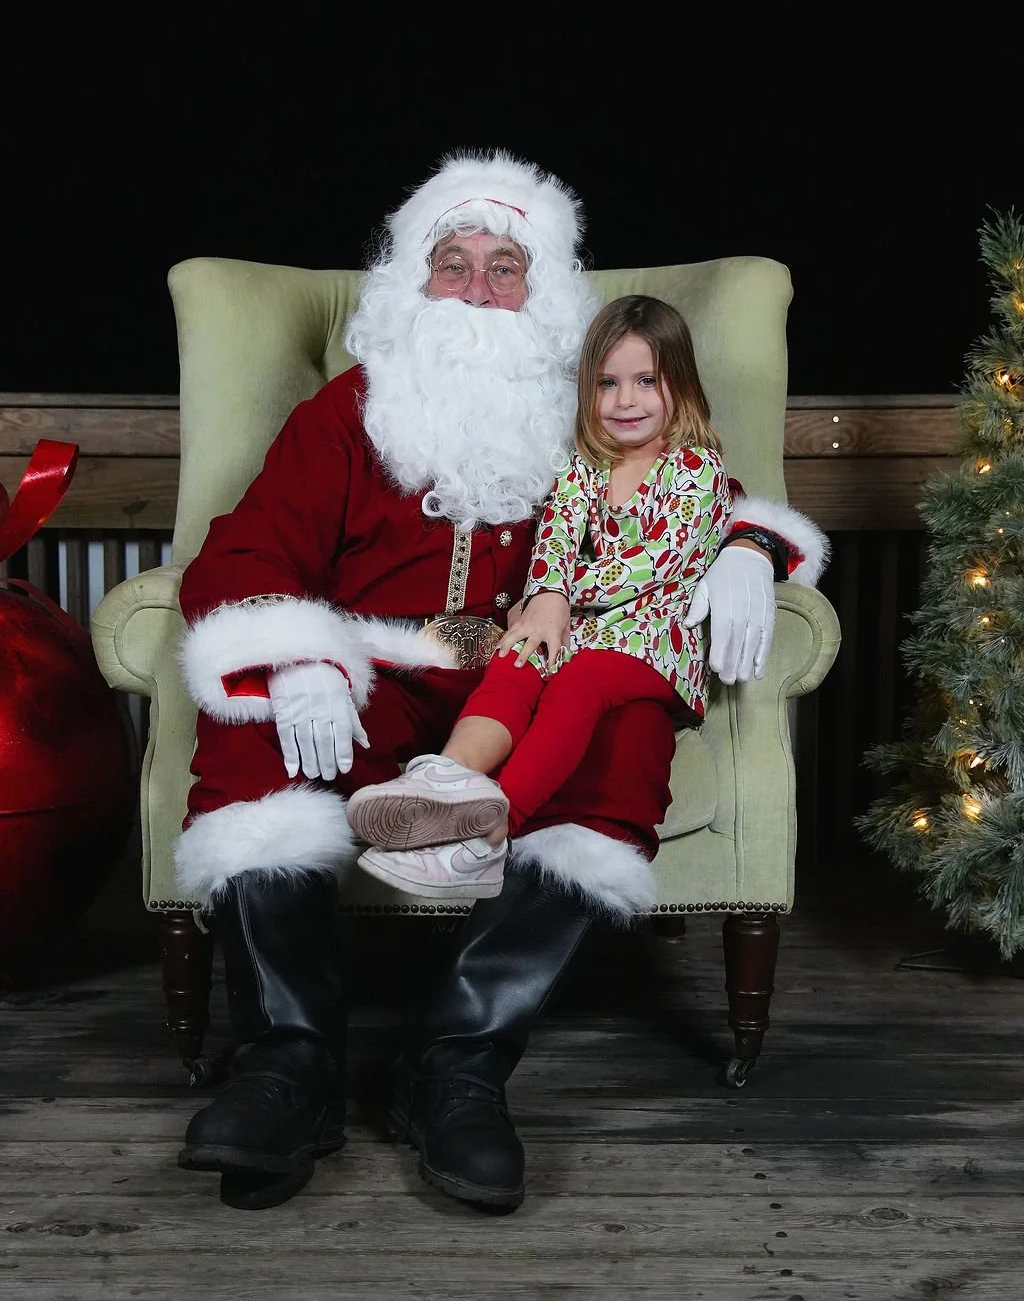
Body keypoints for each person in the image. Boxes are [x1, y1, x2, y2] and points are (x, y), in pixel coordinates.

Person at [171, 149, 828, 1213]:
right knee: (253, 733)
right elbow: (246, 547)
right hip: (379, 667)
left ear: (544, 294)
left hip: (531, 672)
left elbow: (710, 492)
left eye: (505, 266)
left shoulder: (586, 416)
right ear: (412, 283)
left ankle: (459, 1067)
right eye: (453, 262)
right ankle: (288, 1068)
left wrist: (751, 550)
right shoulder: (347, 411)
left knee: (621, 735)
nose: (476, 288)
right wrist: (299, 654)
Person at [349, 294, 733, 900]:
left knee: (579, 681)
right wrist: (546, 592)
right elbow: (553, 536)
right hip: (578, 627)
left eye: (645, 381)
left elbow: (646, 567)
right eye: (607, 383)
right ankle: (447, 781)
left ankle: (492, 833)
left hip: (653, 643)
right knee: (518, 654)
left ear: (679, 385)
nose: (625, 401)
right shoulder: (585, 464)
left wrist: (560, 599)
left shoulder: (695, 471)